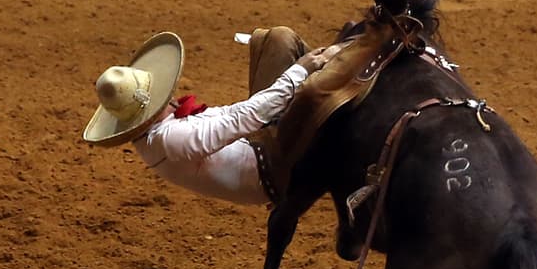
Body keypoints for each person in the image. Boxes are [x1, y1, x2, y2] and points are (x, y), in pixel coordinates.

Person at [83, 28, 345, 206]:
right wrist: (300, 71)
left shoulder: (160, 134)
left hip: (260, 147)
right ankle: (342, 65)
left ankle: (336, 65)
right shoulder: (169, 139)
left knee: (276, 39)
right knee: (287, 46)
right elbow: (244, 118)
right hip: (272, 164)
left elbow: (234, 115)